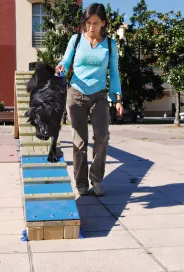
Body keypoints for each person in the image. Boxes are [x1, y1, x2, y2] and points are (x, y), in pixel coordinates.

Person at [55, 3, 123, 197]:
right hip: (76, 94)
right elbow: (66, 60)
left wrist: (118, 99)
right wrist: (60, 67)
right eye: (88, 22)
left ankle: (97, 178)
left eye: (95, 23)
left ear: (103, 23)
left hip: (99, 95)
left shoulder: (110, 44)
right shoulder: (76, 40)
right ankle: (81, 182)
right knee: (80, 141)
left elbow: (114, 73)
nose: (91, 27)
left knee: (102, 137)